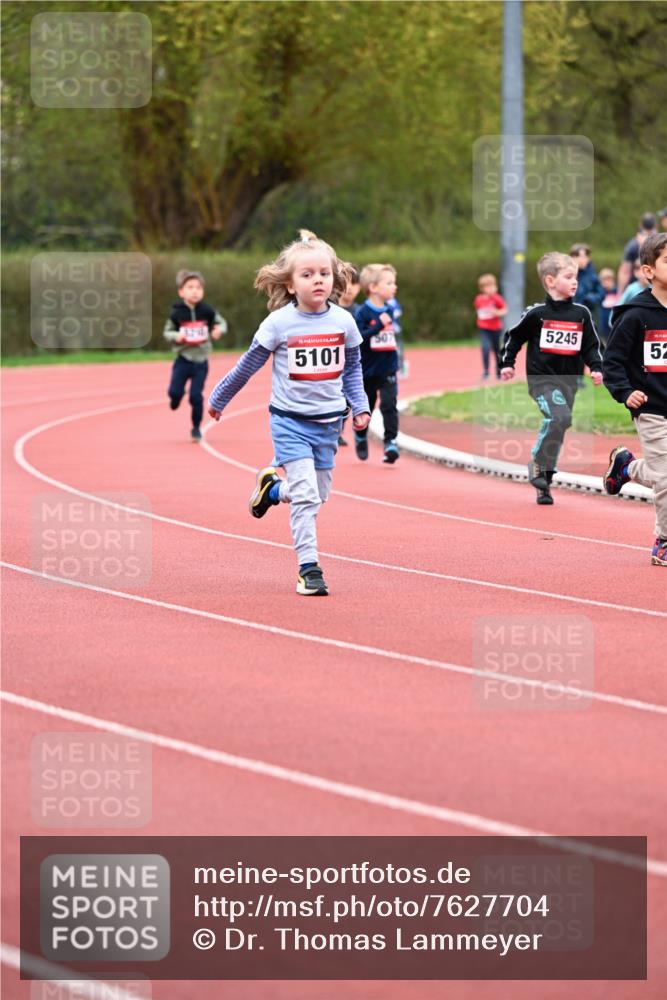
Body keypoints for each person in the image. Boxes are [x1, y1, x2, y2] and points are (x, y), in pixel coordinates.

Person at [207, 230, 370, 596]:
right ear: (290, 284)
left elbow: (353, 368)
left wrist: (359, 405)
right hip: (289, 423)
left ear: (335, 278)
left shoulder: (343, 322)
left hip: (329, 424)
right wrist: (220, 397)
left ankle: (272, 489)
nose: (318, 281)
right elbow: (248, 365)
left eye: (324, 274)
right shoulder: (279, 324)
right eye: (307, 274)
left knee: (318, 493)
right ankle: (308, 569)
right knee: (309, 497)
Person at [500, 252, 603, 506]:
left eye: (576, 277)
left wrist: (597, 367)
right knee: (559, 417)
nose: (575, 282)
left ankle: (544, 482)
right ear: (550, 281)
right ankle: (537, 462)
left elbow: (591, 346)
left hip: (570, 380)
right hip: (542, 380)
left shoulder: (581, 313)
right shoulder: (537, 313)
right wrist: (507, 363)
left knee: (559, 425)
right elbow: (514, 337)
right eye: (568, 277)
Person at [602, 232, 667, 567]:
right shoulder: (635, 315)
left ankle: (626, 467)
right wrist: (625, 392)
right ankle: (664, 542)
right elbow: (611, 361)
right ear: (648, 271)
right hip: (653, 410)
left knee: (661, 472)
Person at [164, 270, 226, 441]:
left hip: (201, 361)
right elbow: (167, 332)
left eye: (198, 287)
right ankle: (175, 398)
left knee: (196, 396)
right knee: (175, 392)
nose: (195, 291)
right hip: (183, 360)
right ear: (181, 292)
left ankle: (196, 428)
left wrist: (218, 330)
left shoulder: (208, 311)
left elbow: (222, 323)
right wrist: (176, 336)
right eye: (190, 287)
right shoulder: (176, 313)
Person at [354, 263, 400, 464]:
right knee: (368, 407)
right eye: (389, 283)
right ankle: (361, 435)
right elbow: (359, 338)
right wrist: (379, 325)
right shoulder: (363, 313)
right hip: (368, 370)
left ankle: (390, 442)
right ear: (373, 287)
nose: (394, 287)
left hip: (388, 367)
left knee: (390, 405)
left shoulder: (391, 308)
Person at [336, 265, 362, 446]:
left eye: (355, 284)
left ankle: (339, 429)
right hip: (333, 363)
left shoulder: (360, 311)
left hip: (351, 363)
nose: (350, 288)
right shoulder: (329, 309)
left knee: (347, 401)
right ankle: (333, 429)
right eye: (347, 283)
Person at [474, 273, 508, 380]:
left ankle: (498, 371)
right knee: (485, 348)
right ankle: (486, 371)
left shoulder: (497, 298)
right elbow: (479, 310)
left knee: (497, 350)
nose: (491, 289)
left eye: (493, 286)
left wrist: (497, 312)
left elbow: (504, 310)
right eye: (488, 286)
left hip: (496, 329)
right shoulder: (479, 299)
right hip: (484, 329)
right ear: (482, 288)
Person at [618, 213, 657, 293]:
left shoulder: (633, 245)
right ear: (656, 225)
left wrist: (620, 293)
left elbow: (625, 272)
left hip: (638, 289)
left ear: (641, 225)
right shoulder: (661, 242)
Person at [598, 267, 618, 346]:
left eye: (609, 279)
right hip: (602, 328)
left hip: (614, 327)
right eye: (604, 280)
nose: (607, 282)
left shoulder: (618, 292)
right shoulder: (599, 294)